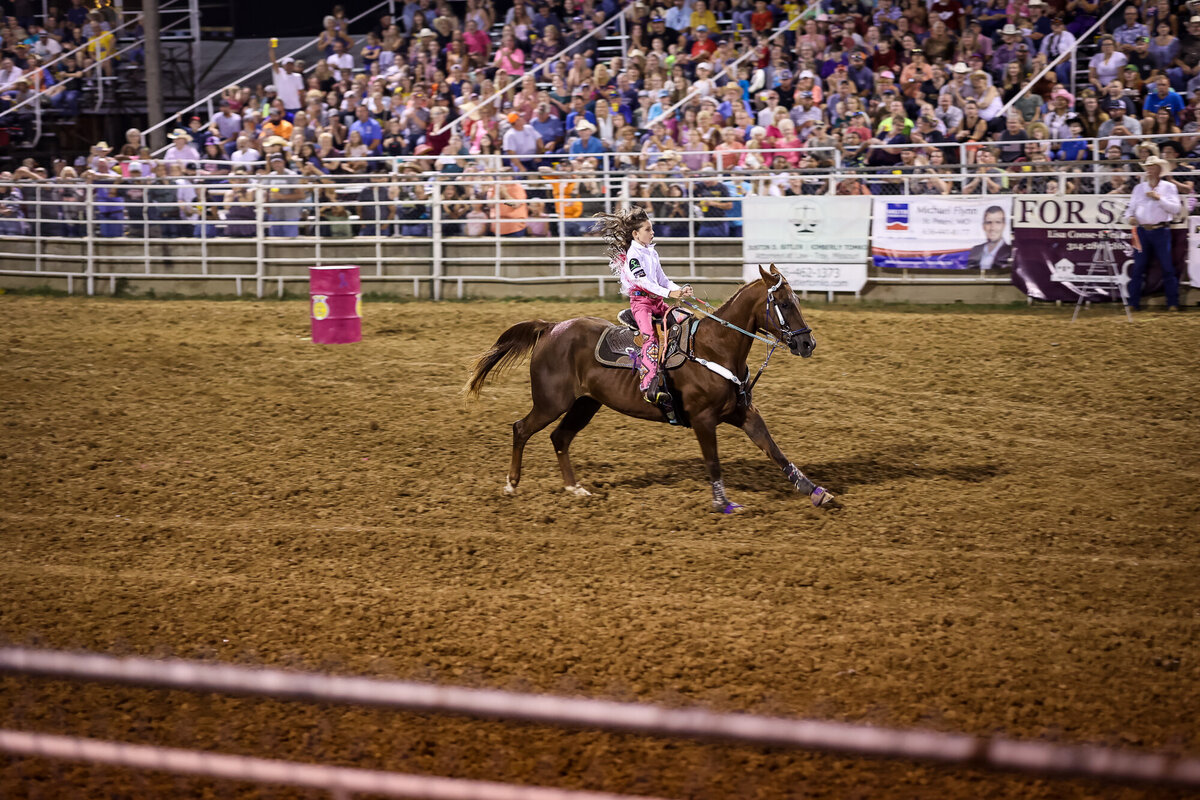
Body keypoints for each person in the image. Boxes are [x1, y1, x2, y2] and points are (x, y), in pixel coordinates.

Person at [593, 205, 694, 405]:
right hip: (642, 305)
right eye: (648, 229)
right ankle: (649, 385)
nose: (652, 232)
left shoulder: (652, 253)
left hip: (657, 302)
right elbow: (643, 282)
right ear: (636, 234)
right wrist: (669, 293)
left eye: (651, 229)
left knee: (686, 319)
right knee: (650, 338)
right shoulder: (633, 257)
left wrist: (679, 289)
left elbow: (662, 280)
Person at [1123, 156, 1182, 311]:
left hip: (1161, 231)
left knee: (1167, 267)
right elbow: (1130, 208)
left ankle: (1172, 302)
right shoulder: (1139, 188)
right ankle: (1133, 302)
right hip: (1142, 231)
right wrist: (1130, 217)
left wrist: (1159, 198)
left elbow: (1175, 209)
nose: (1149, 169)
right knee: (1138, 268)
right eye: (1148, 167)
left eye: (1152, 167)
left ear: (1159, 170)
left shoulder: (1168, 187)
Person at [966, 205, 1013, 271]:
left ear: (1004, 225)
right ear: (983, 226)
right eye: (988, 222)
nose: (992, 228)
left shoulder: (1010, 252)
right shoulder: (975, 250)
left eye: (998, 222)